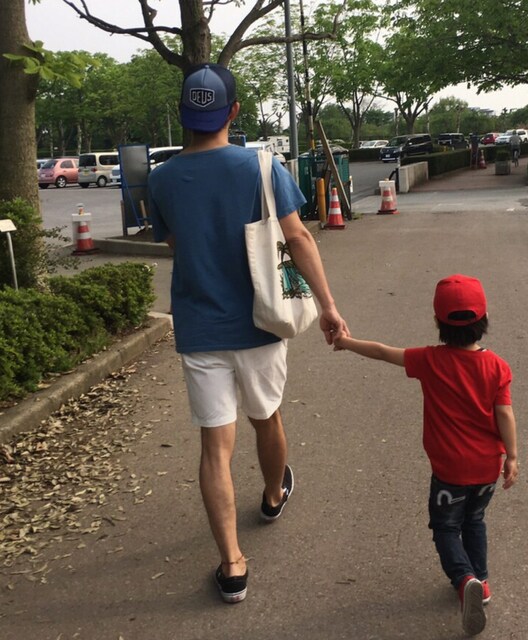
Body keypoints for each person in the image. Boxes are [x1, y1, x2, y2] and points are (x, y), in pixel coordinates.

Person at [148, 63, 349, 604]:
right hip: (260, 322)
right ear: (233, 111)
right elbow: (299, 237)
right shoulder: (262, 166)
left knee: (215, 446)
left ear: (183, 115)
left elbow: (174, 243)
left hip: (199, 327)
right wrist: (328, 307)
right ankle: (272, 494)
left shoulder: (160, 178)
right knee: (267, 417)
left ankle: (232, 565)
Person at [333, 274, 518, 636]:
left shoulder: (430, 360)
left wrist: (346, 342)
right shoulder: (498, 367)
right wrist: (511, 456)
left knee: (446, 527)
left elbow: (382, 351)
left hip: (449, 471)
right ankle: (482, 581)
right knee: (475, 520)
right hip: (486, 468)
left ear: (437, 322)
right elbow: (505, 414)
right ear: (484, 319)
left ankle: (464, 580)